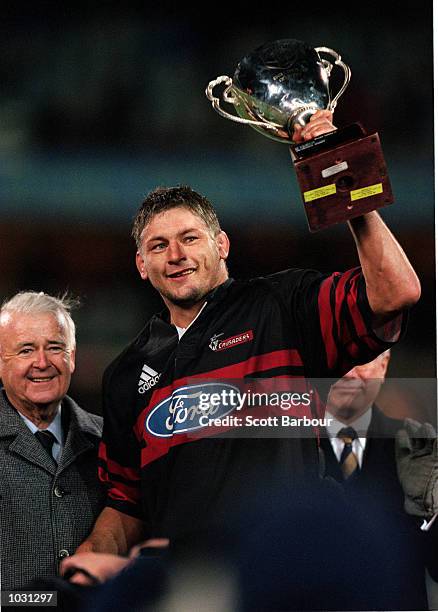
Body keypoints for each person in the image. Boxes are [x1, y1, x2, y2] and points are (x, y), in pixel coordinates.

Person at [61, 110, 421, 586]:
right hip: (189, 589)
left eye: (191, 238)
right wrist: (85, 565)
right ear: (141, 265)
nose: (176, 255)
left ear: (222, 245)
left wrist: (341, 174)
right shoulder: (127, 373)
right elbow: (126, 504)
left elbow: (397, 292)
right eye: (158, 245)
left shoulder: (283, 305)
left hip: (284, 575)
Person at [0, 291, 106, 591]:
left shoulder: (110, 441)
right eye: (25, 351)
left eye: (55, 347)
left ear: (71, 357)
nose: (42, 362)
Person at [320, 351, 436, 610]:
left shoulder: (422, 448)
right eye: (339, 358)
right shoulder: (284, 450)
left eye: (362, 358)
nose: (349, 373)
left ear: (383, 367)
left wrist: (432, 514)